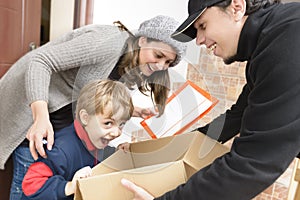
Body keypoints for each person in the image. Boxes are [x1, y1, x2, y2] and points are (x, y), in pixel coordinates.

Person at [121, 0, 300, 199]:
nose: (199, 40)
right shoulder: (270, 43)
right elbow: (236, 117)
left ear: (237, 7)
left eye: (203, 26)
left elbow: (252, 163)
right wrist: (155, 152)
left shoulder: (288, 40)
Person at [0, 15, 187, 199]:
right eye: (158, 55)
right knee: (30, 183)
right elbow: (40, 62)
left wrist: (132, 110)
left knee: (54, 182)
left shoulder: (134, 64)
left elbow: (98, 90)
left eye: (168, 62)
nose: (161, 66)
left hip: (60, 115)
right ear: (143, 40)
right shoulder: (107, 43)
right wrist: (40, 116)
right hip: (32, 101)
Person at [21, 79, 134, 199]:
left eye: (121, 124)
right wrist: (69, 187)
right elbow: (30, 185)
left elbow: (96, 156)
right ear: (85, 118)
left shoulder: (95, 139)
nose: (116, 132)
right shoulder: (61, 150)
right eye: (108, 123)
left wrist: (118, 153)